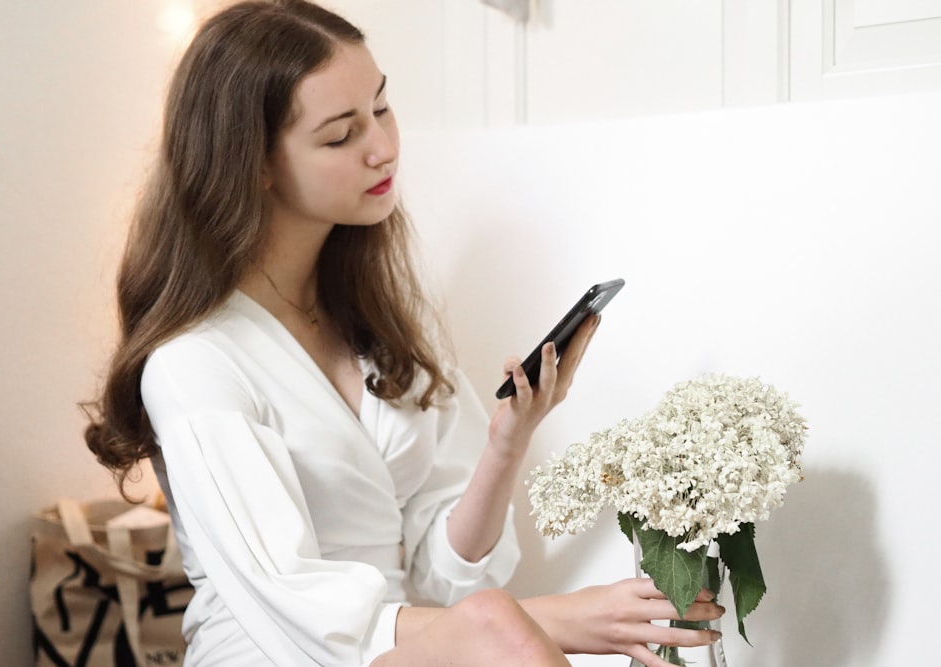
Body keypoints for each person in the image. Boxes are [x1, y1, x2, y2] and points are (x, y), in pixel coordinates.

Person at [84, 1, 724, 665]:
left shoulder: (376, 321)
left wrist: (507, 442)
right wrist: (552, 618)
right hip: (275, 652)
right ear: (255, 163)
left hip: (413, 644)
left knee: (496, 626)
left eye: (382, 109)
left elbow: (448, 581)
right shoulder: (195, 362)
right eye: (341, 135)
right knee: (501, 631)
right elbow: (302, 605)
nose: (383, 147)